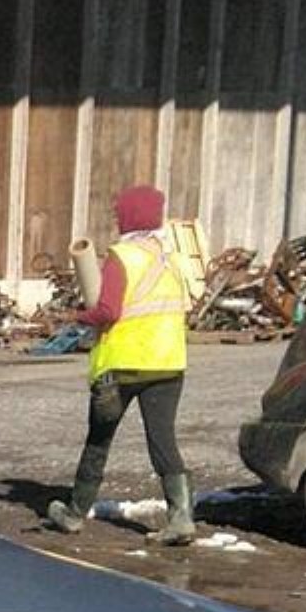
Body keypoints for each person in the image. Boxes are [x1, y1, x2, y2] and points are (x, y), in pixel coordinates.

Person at [46, 183, 197, 545]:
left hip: (122, 365)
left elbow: (108, 310)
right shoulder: (172, 259)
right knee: (163, 441)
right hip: (168, 363)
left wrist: (78, 315)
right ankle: (181, 518)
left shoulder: (122, 256)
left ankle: (73, 514)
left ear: (129, 217)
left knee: (99, 439)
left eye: (118, 213)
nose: (116, 219)